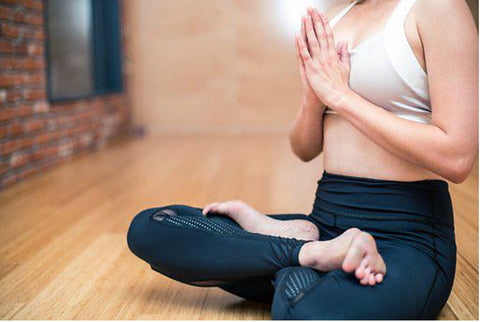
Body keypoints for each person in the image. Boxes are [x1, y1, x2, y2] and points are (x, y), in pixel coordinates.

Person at [127, 0, 478, 319]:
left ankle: (290, 253)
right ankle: (310, 252)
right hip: (324, 224)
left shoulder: (437, 8)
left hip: (406, 237)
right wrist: (314, 98)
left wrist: (340, 97)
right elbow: (304, 148)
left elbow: (457, 157)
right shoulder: (333, 17)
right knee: (153, 226)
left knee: (306, 311)